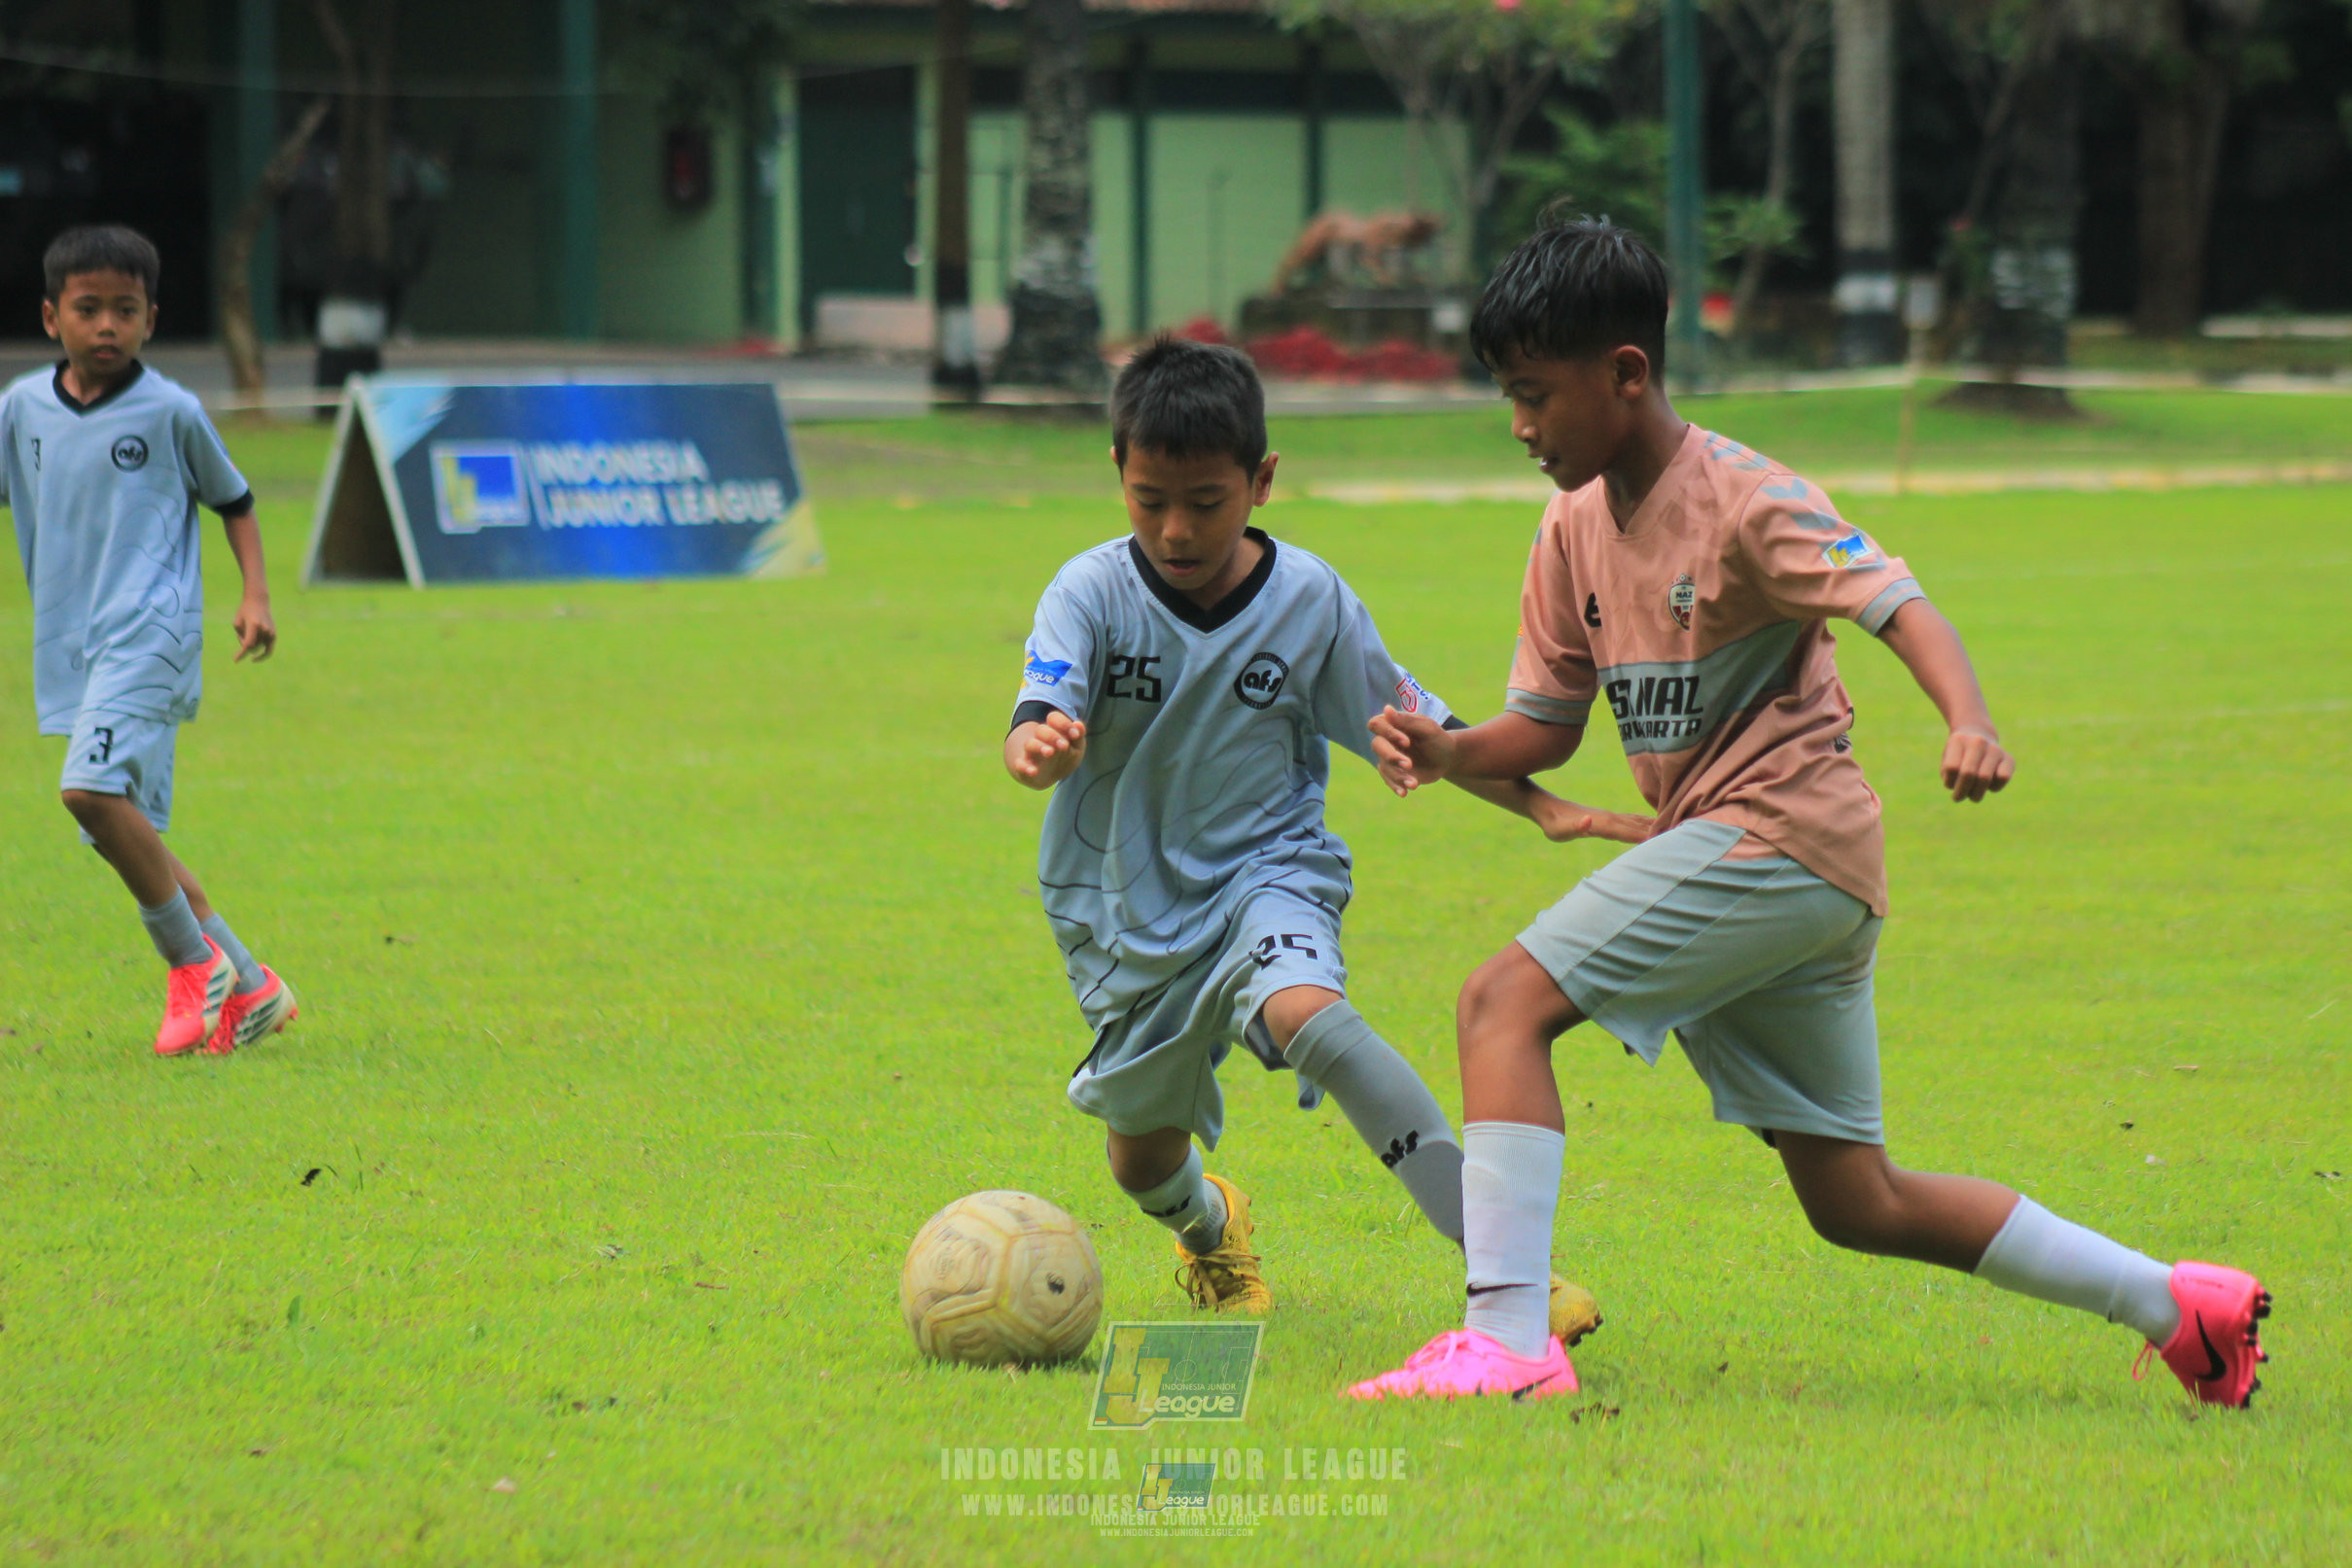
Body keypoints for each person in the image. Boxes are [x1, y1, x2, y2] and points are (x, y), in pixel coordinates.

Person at [1346, 219, 2269, 1406]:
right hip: (1767, 863)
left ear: (1626, 372)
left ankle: (1507, 1342)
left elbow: (1896, 600)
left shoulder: (1743, 499)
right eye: (1507, 398)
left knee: (1497, 1002)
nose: (1520, 426)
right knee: (1856, 1199)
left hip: (1782, 838)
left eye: (1536, 395)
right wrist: (1450, 747)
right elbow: (1545, 728)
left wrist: (1966, 715)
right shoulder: (1569, 526)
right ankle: (2178, 1305)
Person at [1004, 336, 1641, 1330]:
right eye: (1148, 499)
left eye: (1205, 502)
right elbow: (1038, 708)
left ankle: (1509, 1269)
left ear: (1260, 480)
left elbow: (1423, 725)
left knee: (1307, 1011)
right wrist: (1036, 746)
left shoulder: (1309, 602)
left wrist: (1540, 802)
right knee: (1140, 1154)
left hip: (1270, 870)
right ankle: (1211, 1226)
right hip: (1125, 902)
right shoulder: (1088, 592)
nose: (1175, 529)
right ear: (1119, 476)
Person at [3, 226, 298, 1057]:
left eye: (124, 311)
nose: (106, 326)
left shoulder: (171, 410)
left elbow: (234, 500)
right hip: (74, 641)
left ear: (151, 320)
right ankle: (252, 983)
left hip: (151, 630)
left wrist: (255, 596)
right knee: (118, 827)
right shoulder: (21, 408)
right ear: (51, 315)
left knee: (87, 793)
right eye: (88, 309)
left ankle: (190, 960)